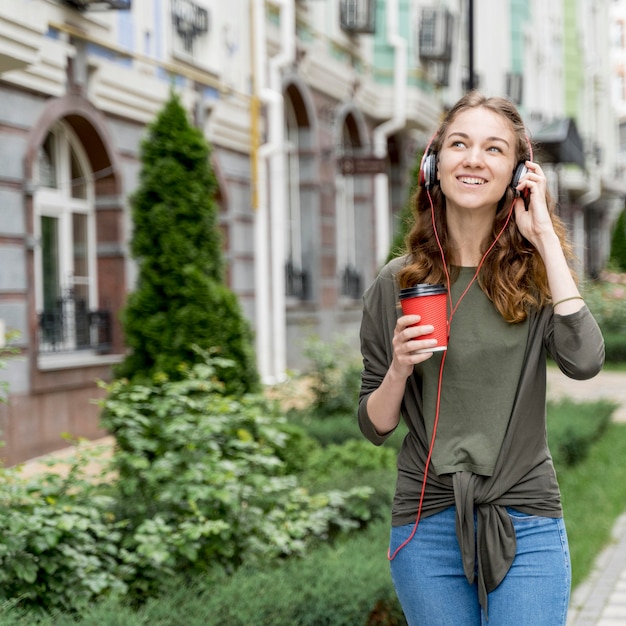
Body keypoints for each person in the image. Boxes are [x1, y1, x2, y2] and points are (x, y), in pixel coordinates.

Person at [357, 91, 605, 626]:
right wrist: (399, 367)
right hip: (427, 524)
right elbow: (375, 425)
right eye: (459, 144)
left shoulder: (535, 278)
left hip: (527, 518)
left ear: (517, 177)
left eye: (494, 149)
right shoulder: (397, 283)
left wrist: (543, 239)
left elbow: (585, 361)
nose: (473, 158)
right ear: (434, 164)